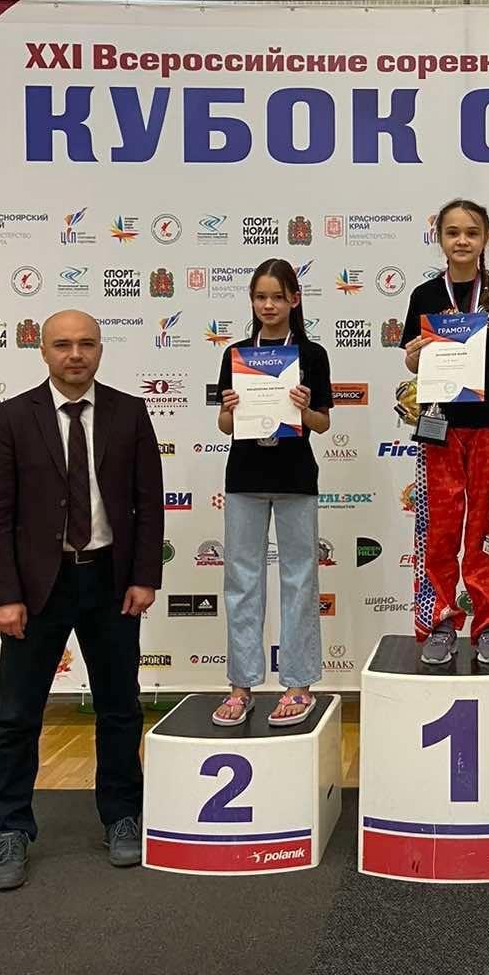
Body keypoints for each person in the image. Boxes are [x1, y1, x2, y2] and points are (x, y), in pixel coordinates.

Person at [0, 310, 163, 891]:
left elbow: (149, 502)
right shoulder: (12, 417)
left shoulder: (130, 413)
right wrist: (5, 595)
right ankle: (9, 829)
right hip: (38, 589)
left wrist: (144, 577)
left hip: (110, 582)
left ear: (101, 349)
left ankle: (122, 816)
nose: (75, 354)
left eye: (86, 344)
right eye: (62, 344)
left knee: (120, 707)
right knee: (16, 715)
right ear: (43, 351)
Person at [402, 197, 489, 664]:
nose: (462, 240)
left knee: (487, 529)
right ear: (439, 238)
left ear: (485, 239)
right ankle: (439, 621)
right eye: (453, 232)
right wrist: (414, 355)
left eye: (472, 233)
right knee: (439, 529)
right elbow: (412, 361)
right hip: (441, 426)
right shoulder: (425, 295)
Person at [212, 259, 332, 727]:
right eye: (260, 297)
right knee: (241, 580)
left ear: (294, 300)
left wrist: (303, 408)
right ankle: (241, 686)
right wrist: (230, 408)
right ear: (251, 301)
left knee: (299, 580)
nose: (268, 305)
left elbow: (322, 423)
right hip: (245, 477)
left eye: (277, 297)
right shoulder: (236, 354)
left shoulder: (311, 354)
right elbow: (225, 426)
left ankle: (298, 685)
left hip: (295, 477)